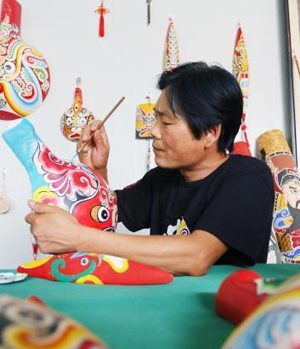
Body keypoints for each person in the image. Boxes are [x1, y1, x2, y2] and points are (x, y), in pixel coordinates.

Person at [25, 62, 274, 276]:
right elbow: (103, 216)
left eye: (166, 122)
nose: (153, 131)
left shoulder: (249, 177)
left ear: (210, 132)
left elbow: (196, 256)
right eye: (156, 119)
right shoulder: (161, 179)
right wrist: (97, 172)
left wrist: (77, 238)